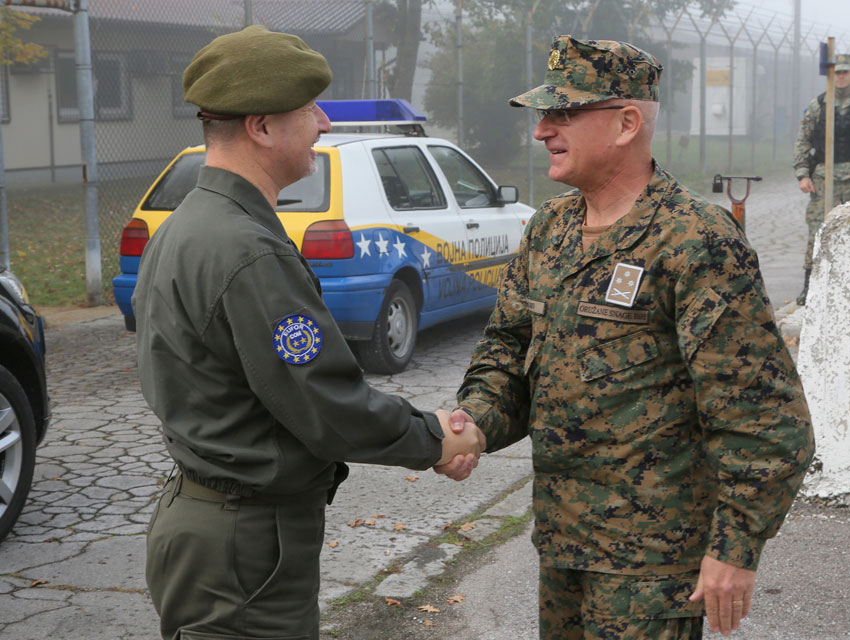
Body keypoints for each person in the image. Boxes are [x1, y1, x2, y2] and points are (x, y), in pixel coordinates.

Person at [450, 35, 815, 639]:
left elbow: (765, 419)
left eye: (563, 113)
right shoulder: (550, 230)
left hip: (653, 568)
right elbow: (508, 353)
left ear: (625, 124)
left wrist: (734, 546)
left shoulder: (695, 239)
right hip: (563, 546)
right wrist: (473, 424)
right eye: (543, 115)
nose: (542, 131)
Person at [133, 26, 484, 640]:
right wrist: (434, 437)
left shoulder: (187, 224)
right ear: (262, 126)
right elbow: (325, 401)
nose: (323, 123)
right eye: (308, 109)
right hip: (245, 546)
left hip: (208, 524)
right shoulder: (246, 249)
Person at [793, 53, 850, 305]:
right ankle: (809, 285)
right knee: (817, 231)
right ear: (831, 75)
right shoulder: (818, 105)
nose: (841, 76)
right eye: (837, 72)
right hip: (824, 180)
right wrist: (803, 174)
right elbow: (802, 139)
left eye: (845, 72)